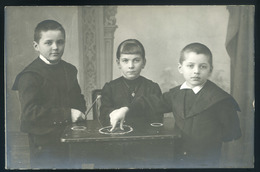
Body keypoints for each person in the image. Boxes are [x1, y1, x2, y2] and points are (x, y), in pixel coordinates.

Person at [109, 42, 242, 167]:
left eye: (203, 66)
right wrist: (125, 109)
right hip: (178, 159)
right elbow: (150, 103)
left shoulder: (221, 100)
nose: (196, 71)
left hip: (206, 161)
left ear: (210, 70)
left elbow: (231, 134)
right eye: (190, 66)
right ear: (180, 68)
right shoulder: (175, 94)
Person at [12, 20, 86, 169]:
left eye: (60, 42)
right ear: (36, 46)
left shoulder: (69, 70)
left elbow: (78, 100)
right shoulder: (30, 75)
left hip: (71, 141)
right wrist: (68, 115)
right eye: (48, 43)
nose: (55, 47)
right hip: (44, 144)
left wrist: (80, 112)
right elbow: (30, 113)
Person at [99, 39, 163, 130]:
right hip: (117, 135)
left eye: (136, 60)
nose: (131, 66)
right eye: (125, 61)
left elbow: (157, 119)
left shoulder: (152, 88)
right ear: (118, 63)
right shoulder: (110, 88)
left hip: (146, 137)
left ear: (143, 63)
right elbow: (104, 117)